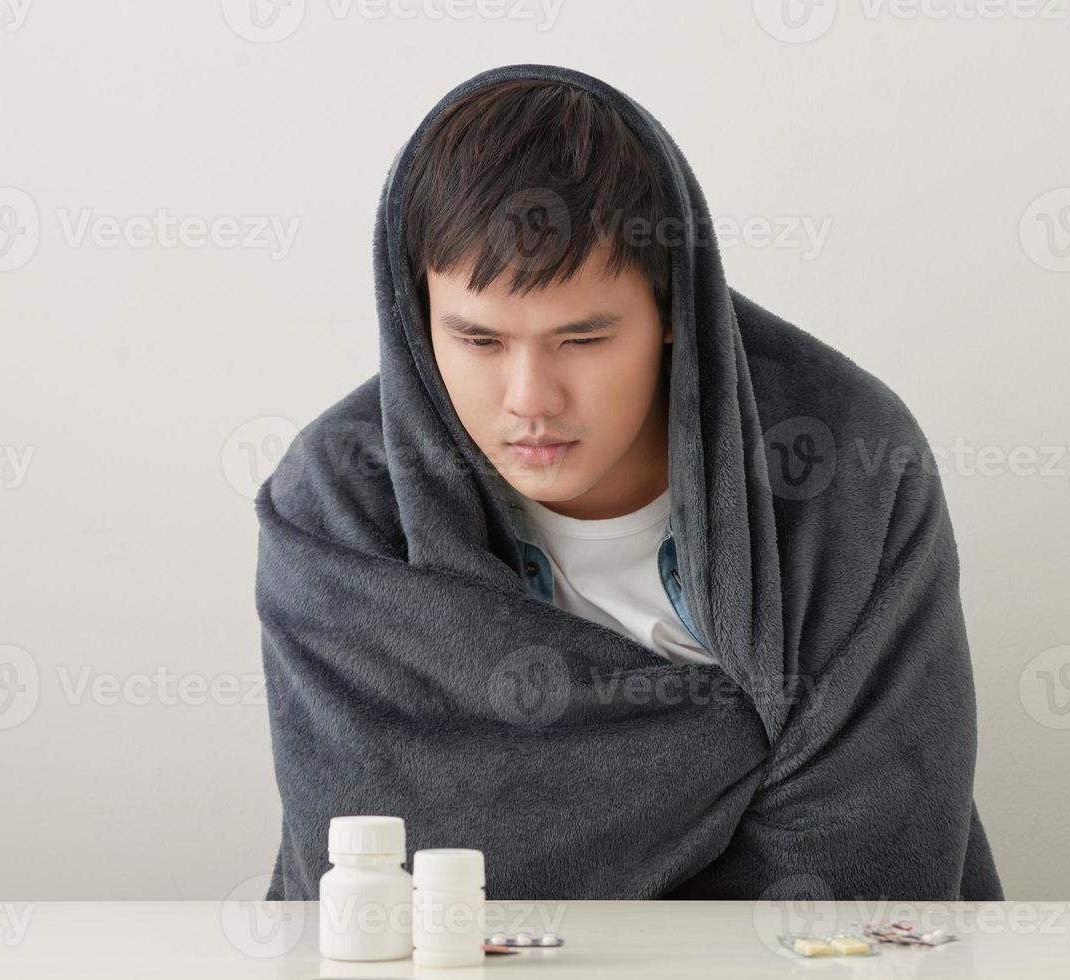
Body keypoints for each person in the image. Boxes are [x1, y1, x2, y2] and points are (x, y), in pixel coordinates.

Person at [257, 64, 1003, 902]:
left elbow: (869, 857)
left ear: (676, 308)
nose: (529, 402)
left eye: (582, 340)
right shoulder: (336, 503)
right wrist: (740, 751)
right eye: (478, 341)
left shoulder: (845, 469)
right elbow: (371, 871)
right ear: (413, 319)